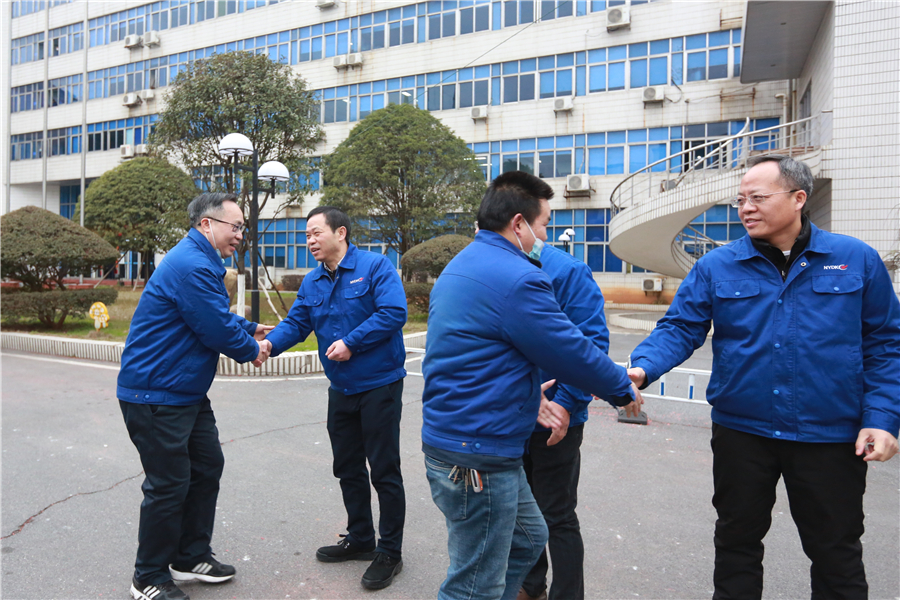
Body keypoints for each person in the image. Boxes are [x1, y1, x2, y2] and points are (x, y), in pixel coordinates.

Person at [628, 155, 900, 599]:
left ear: (798, 198)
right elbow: (680, 327)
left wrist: (883, 419)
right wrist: (643, 367)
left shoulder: (855, 260)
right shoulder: (718, 265)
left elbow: (886, 345)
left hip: (829, 435)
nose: (745, 208)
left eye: (757, 197)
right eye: (740, 200)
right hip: (743, 432)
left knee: (836, 554)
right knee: (735, 545)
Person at [422, 171, 644, 600]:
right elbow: (568, 349)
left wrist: (528, 395)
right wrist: (620, 387)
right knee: (473, 583)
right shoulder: (518, 276)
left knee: (528, 538)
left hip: (464, 435)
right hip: (478, 451)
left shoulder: (459, 265)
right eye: (544, 224)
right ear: (519, 224)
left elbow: (480, 356)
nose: (545, 236)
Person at [118, 192, 273, 600]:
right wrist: (252, 349)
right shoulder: (192, 264)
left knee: (206, 466)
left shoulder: (201, 261)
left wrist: (250, 328)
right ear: (207, 224)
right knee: (168, 484)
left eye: (242, 228)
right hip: (155, 393)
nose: (240, 234)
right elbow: (215, 329)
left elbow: (207, 314)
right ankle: (148, 577)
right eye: (235, 226)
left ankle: (190, 556)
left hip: (183, 391)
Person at [264, 206, 408, 591]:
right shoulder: (313, 281)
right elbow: (297, 323)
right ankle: (361, 538)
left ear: (340, 233)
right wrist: (267, 346)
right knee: (347, 467)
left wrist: (351, 342)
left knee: (384, 470)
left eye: (315, 233)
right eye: (306, 235)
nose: (309, 240)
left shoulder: (375, 267)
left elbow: (394, 313)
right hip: (341, 389)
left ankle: (390, 552)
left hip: (379, 385)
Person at [518, 243, 613, 600]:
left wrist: (566, 403)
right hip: (512, 416)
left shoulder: (567, 271)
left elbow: (592, 343)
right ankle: (531, 585)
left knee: (556, 514)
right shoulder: (499, 266)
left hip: (557, 417)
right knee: (519, 511)